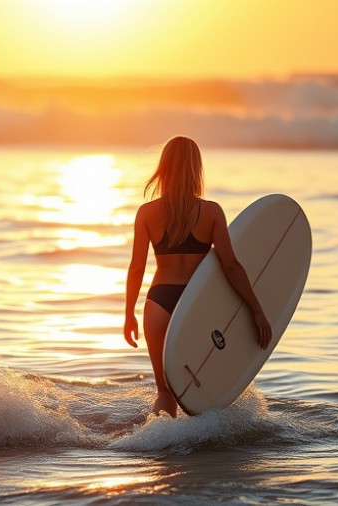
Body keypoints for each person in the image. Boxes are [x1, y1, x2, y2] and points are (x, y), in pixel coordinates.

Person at [123, 136, 272, 418]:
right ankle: (198, 453)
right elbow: (231, 267)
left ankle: (157, 448)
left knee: (165, 392)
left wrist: (129, 314)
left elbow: (136, 268)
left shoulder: (146, 213)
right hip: (195, 305)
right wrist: (257, 310)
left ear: (164, 168)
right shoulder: (211, 212)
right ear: (196, 168)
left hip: (158, 305)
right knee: (200, 390)